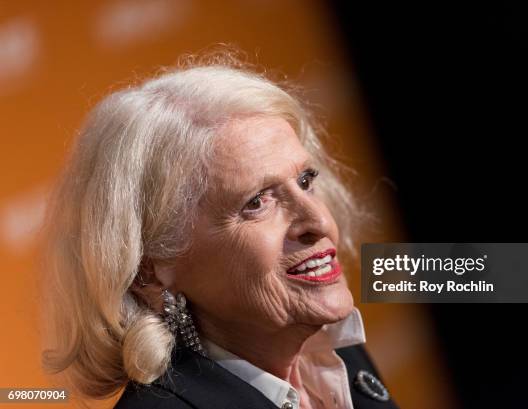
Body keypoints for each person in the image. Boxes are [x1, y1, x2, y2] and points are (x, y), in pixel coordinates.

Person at [41, 55, 398, 409]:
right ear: (148, 271)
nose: (317, 221)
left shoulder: (336, 357)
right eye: (257, 202)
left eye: (305, 181)